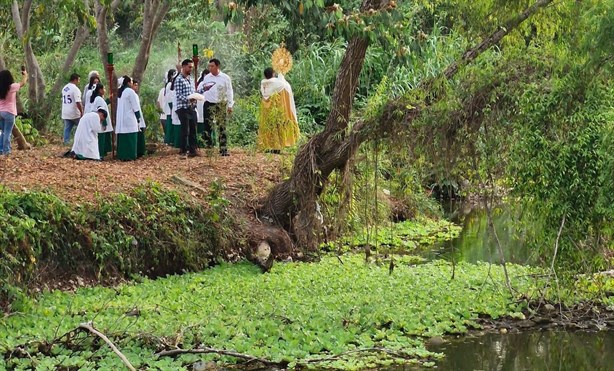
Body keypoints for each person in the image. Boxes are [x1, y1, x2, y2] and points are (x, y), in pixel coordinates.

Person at [258, 67, 300, 153]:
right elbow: (284, 85)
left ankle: (267, 145)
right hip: (274, 108)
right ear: (273, 74)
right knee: (276, 125)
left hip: (266, 109)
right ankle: (277, 147)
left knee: (268, 125)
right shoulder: (276, 82)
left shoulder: (263, 83)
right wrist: (281, 74)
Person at [199, 58, 234, 156]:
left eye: (212, 66)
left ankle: (223, 149)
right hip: (208, 103)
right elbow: (204, 89)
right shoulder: (207, 77)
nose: (210, 68)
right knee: (207, 126)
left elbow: (229, 91)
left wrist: (230, 104)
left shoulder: (225, 77)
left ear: (217, 66)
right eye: (209, 66)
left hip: (220, 104)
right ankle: (209, 149)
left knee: (222, 127)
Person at [115, 76, 144, 161]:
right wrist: (138, 117)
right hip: (129, 118)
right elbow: (135, 106)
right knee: (130, 139)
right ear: (128, 83)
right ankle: (130, 156)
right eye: (131, 82)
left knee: (124, 138)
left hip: (122, 119)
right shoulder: (130, 92)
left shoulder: (121, 92)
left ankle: (122, 156)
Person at [0, 68, 27, 156]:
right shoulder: (12, 87)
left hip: (1, 112)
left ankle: (1, 150)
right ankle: (6, 151)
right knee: (7, 132)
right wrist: (25, 75)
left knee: (3, 132)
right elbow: (23, 83)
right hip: (9, 112)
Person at [174, 59, 198, 157]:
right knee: (185, 130)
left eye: (192, 67)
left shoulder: (191, 79)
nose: (191, 69)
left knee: (193, 129)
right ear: (183, 67)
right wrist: (189, 99)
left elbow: (193, 92)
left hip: (191, 108)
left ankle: (193, 150)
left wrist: (200, 92)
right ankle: (183, 151)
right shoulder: (179, 79)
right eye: (189, 67)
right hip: (183, 108)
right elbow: (179, 94)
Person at [87, 83, 113, 159]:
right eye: (103, 89)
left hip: (100, 121)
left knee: (103, 139)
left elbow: (103, 105)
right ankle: (100, 155)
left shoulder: (98, 99)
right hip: (101, 122)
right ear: (100, 90)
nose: (104, 90)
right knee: (101, 139)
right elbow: (101, 111)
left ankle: (102, 154)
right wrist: (104, 123)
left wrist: (109, 100)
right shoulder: (98, 99)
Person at [61, 73, 83, 144]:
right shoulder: (75, 89)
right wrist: (82, 111)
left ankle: (66, 142)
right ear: (75, 80)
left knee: (67, 128)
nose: (79, 81)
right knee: (81, 127)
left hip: (66, 111)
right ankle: (80, 142)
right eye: (78, 80)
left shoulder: (64, 88)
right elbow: (78, 102)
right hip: (74, 112)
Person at [163, 69, 176, 145]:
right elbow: (169, 97)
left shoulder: (170, 84)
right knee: (170, 125)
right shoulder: (169, 84)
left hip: (171, 108)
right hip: (170, 108)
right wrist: (172, 107)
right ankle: (169, 140)